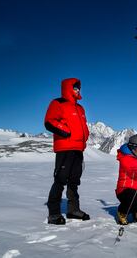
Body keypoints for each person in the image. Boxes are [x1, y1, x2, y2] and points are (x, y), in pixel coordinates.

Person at [44, 78, 90, 225]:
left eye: (79, 88)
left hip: (78, 149)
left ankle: (73, 210)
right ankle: (54, 214)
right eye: (75, 88)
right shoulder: (58, 103)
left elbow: (84, 126)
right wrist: (66, 132)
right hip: (65, 148)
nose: (78, 90)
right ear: (68, 88)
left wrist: (86, 135)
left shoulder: (80, 108)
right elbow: (49, 121)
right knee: (60, 180)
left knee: (74, 181)